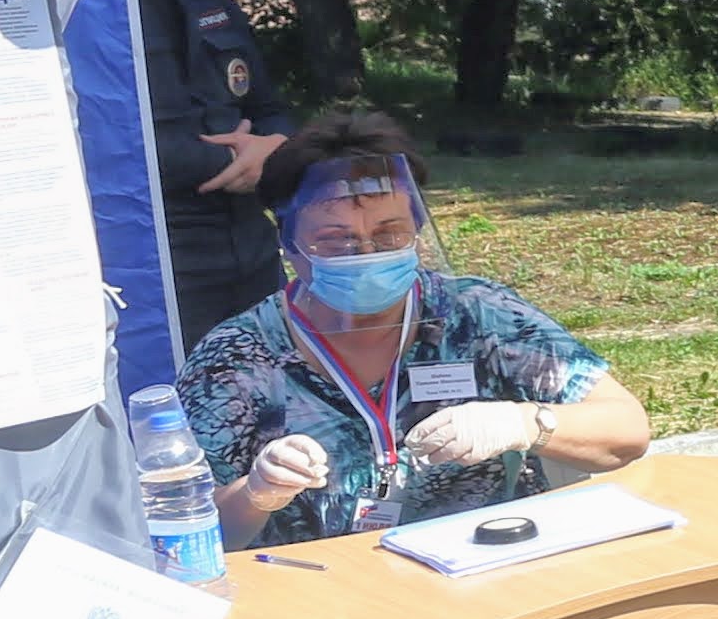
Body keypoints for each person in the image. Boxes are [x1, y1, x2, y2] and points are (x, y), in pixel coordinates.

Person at [179, 110, 653, 549]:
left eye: (390, 234)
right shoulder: (237, 358)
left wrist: (523, 423)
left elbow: (627, 430)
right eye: (335, 240)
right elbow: (186, 530)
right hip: (318, 589)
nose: (367, 253)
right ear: (289, 243)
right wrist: (256, 494)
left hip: (482, 569)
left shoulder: (477, 314)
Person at [126, 0, 295, 351]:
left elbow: (268, 106)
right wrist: (233, 158)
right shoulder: (86, 5)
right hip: (161, 256)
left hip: (251, 247)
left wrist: (274, 147)